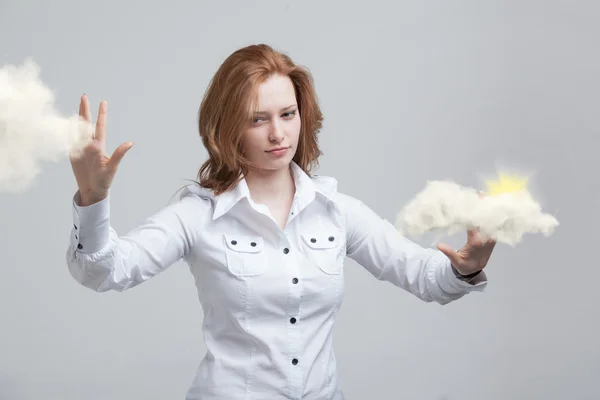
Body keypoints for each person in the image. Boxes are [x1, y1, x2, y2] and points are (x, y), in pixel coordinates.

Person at [66, 44, 496, 400]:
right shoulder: (198, 214)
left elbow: (424, 276)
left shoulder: (336, 210)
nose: (278, 134)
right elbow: (104, 271)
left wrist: (466, 265)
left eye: (287, 114)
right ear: (229, 127)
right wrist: (93, 198)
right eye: (258, 119)